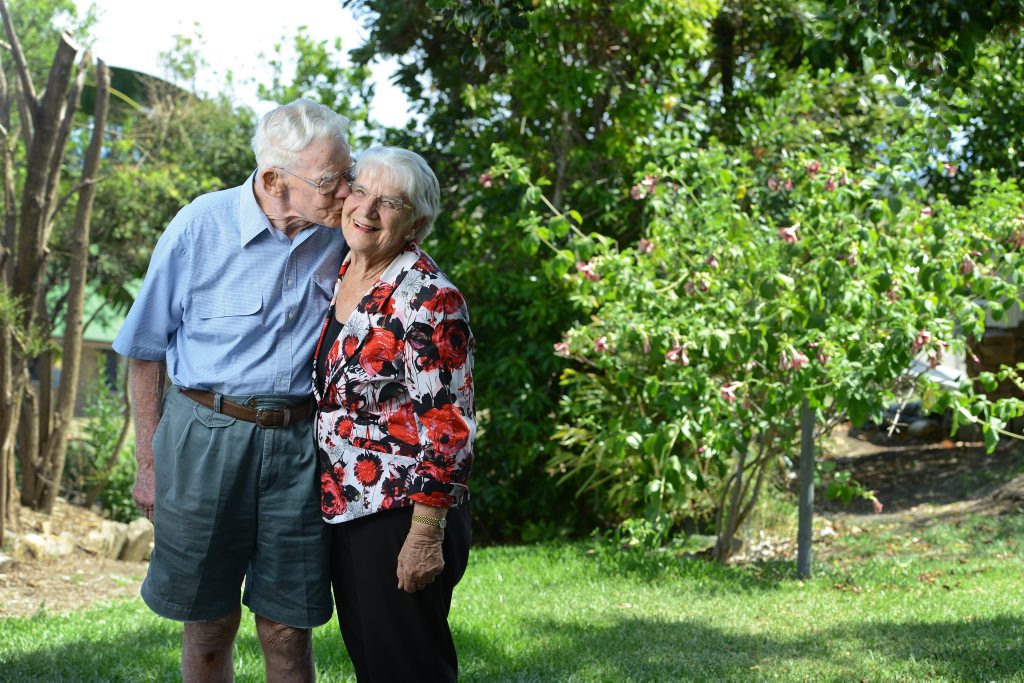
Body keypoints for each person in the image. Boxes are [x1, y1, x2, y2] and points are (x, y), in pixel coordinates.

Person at [112, 98, 353, 682]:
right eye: (331, 181)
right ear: (273, 180)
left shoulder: (340, 233)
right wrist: (147, 464)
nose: (347, 192)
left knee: (288, 628)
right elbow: (144, 354)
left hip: (299, 444)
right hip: (204, 438)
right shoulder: (200, 225)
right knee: (210, 626)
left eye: (350, 174)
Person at [313, 146, 475, 682]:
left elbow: (449, 429)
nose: (366, 209)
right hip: (350, 506)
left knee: (409, 669)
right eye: (360, 192)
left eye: (390, 202)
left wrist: (424, 534)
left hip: (403, 512)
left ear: (417, 223)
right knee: (373, 664)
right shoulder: (340, 273)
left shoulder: (429, 299)